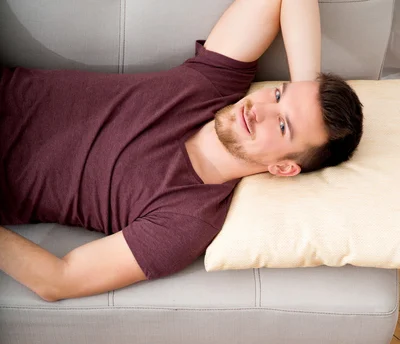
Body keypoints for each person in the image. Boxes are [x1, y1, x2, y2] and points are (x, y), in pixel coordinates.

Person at [0, 0, 363, 302]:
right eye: (278, 94)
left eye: (283, 125)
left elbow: (59, 280)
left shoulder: (186, 220)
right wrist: (305, 87)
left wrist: (295, 100)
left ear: (284, 168)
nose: (259, 109)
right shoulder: (215, 85)